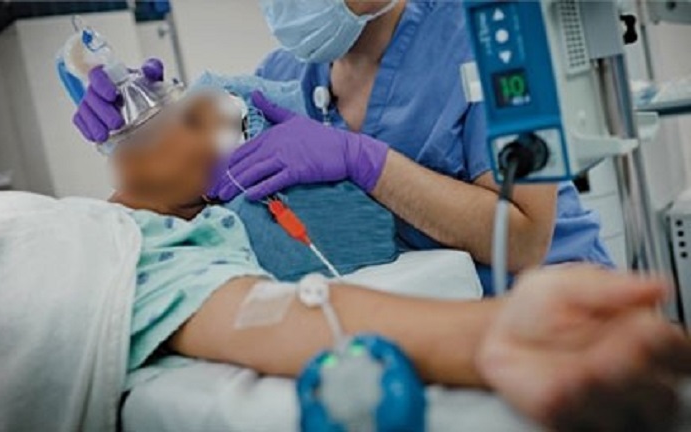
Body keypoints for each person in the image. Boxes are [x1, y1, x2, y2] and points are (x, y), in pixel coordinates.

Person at [72, 67, 690, 431]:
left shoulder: (477, 38)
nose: (170, 127)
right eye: (173, 118)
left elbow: (526, 237)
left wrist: (363, 161)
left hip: (540, 281)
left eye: (188, 120)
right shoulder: (293, 67)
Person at [242, 0, 613, 294]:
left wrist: (362, 160)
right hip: (421, 318)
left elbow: (525, 241)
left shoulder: (490, 35)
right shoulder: (279, 78)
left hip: (549, 303)